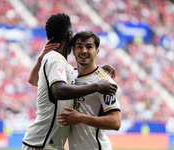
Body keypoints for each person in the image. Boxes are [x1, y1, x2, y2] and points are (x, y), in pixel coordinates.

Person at [22, 13, 117, 150]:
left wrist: (95, 68)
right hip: (41, 143)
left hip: (49, 143)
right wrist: (96, 86)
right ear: (69, 35)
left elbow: (33, 80)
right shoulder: (55, 59)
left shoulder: (60, 63)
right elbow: (59, 91)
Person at [58, 31, 121, 150]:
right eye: (79, 46)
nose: (84, 51)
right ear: (73, 50)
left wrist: (81, 118)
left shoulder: (105, 83)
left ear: (97, 52)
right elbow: (34, 81)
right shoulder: (72, 75)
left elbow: (115, 122)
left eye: (89, 47)